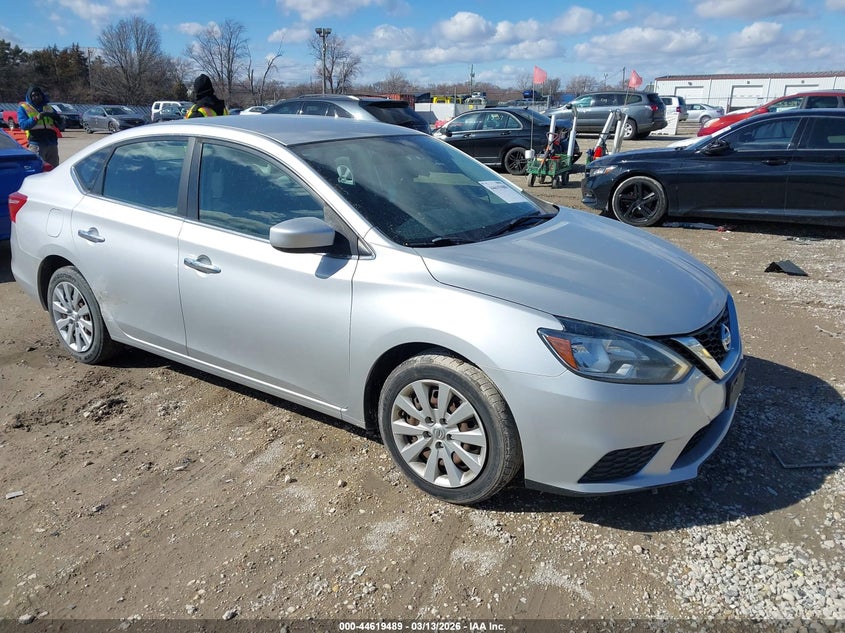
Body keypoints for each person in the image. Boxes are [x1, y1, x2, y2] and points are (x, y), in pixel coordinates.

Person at [17, 85, 61, 165]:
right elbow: (23, 125)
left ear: (42, 95)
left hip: (51, 143)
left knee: (54, 170)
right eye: (33, 95)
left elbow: (59, 122)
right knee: (38, 169)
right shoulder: (24, 108)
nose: (36, 97)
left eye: (38, 95)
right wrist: (35, 118)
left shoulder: (48, 107)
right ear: (29, 97)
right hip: (36, 143)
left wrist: (55, 117)